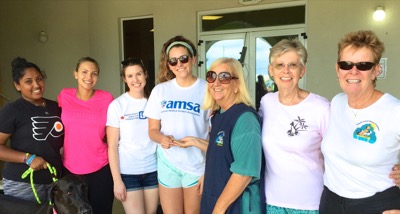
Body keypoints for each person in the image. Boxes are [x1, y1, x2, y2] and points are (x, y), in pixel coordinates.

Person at [319, 30, 400, 213]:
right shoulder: (337, 102)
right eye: (346, 64)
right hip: (331, 201)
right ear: (337, 69)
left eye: (363, 65)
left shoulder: (394, 110)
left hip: (376, 204)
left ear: (376, 71)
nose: (353, 71)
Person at [179, 57, 263, 213]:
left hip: (235, 206)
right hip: (215, 198)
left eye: (224, 77)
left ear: (237, 85)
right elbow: (221, 151)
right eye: (211, 76)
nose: (216, 83)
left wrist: (218, 209)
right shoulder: (219, 115)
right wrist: (208, 173)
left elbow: (244, 173)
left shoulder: (245, 119)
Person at [258, 39, 330, 213]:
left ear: (302, 70)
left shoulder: (320, 107)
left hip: (311, 204)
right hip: (271, 202)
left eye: (292, 65)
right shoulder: (266, 102)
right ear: (271, 71)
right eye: (279, 65)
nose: (286, 71)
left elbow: (339, 153)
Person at [144, 35, 210, 214]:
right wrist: (162, 139)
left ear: (193, 59)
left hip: (196, 163)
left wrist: (207, 169)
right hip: (168, 161)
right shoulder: (160, 90)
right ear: (168, 64)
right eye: (173, 61)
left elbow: (213, 133)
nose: (179, 64)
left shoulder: (207, 89)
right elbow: (152, 130)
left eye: (183, 58)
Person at [0, 57, 64, 202]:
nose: (36, 85)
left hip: (54, 182)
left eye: (39, 79)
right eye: (28, 81)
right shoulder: (12, 110)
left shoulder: (56, 107)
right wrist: (27, 158)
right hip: (22, 184)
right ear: (17, 85)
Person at [57, 57, 114, 214]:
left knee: (101, 210)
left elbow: (114, 127)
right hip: (70, 169)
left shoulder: (106, 98)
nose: (89, 77)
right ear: (75, 74)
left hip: (100, 168)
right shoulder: (64, 95)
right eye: (84, 72)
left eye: (94, 73)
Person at [107, 58, 158, 214]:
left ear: (146, 75)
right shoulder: (117, 105)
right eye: (130, 76)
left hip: (153, 170)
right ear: (124, 79)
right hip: (128, 172)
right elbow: (112, 146)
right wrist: (117, 181)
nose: (135, 80)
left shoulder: (154, 102)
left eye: (139, 74)